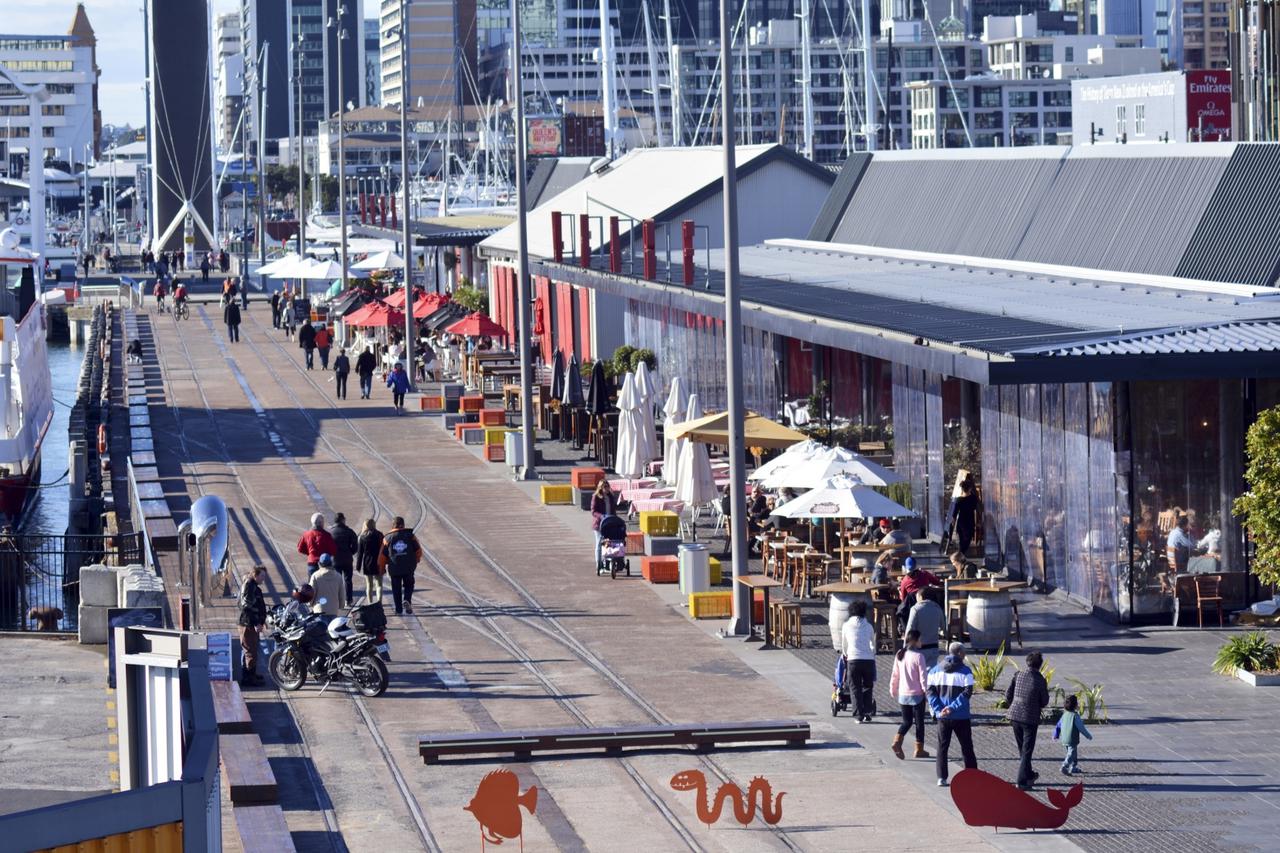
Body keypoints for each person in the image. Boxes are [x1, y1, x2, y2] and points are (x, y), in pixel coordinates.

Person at [927, 641, 978, 787]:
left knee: (942, 747)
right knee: (967, 746)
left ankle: (941, 777)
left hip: (942, 717)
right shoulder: (966, 671)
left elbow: (930, 693)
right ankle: (972, 775)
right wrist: (952, 707)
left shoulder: (934, 671)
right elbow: (967, 693)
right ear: (960, 653)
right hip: (961, 716)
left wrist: (939, 709)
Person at [1005, 651, 1051, 790]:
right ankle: (1021, 781)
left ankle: (1029, 775)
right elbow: (1044, 701)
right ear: (1040, 665)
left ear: (1027, 662)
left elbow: (1008, 695)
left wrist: (1014, 704)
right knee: (1027, 751)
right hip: (1029, 718)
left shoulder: (1018, 675)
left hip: (1014, 716)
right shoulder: (1040, 680)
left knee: (1023, 749)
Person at [889, 629, 932, 760]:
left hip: (903, 694)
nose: (921, 642)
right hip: (917, 695)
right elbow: (923, 677)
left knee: (906, 722)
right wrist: (927, 693)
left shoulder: (900, 654)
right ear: (916, 641)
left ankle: (897, 741)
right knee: (919, 723)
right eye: (920, 639)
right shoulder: (919, 657)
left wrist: (893, 689)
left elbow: (895, 674)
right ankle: (919, 749)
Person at [841, 599, 876, 723]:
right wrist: (872, 654)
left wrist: (846, 654)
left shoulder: (846, 626)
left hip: (853, 660)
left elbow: (844, 645)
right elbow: (873, 643)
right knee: (867, 686)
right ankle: (867, 712)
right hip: (868, 660)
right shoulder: (869, 626)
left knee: (855, 687)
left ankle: (858, 715)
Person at [380, 516, 423, 615]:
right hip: (408, 566)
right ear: (403, 525)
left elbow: (382, 556)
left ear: (393, 525)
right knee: (409, 584)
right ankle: (407, 599)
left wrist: (382, 568)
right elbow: (418, 550)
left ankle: (398, 609)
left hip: (394, 567)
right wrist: (416, 560)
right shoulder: (410, 535)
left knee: (396, 588)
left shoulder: (387, 538)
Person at [237, 566, 268, 686]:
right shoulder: (249, 586)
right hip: (248, 623)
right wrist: (256, 622)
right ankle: (248, 678)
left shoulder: (253, 585)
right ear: (255, 575)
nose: (263, 579)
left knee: (252, 650)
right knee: (249, 651)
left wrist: (261, 619)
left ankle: (251, 674)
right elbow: (247, 606)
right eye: (262, 576)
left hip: (250, 623)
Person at [897, 557, 941, 628]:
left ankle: (906, 631)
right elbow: (937, 582)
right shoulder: (925, 574)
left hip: (913, 607)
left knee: (900, 610)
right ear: (916, 566)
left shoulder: (904, 581)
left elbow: (903, 598)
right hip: (930, 603)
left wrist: (899, 593)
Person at [1054, 694, 1093, 775]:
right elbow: (1081, 728)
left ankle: (1073, 767)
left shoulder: (1064, 714)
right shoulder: (1075, 716)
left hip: (1064, 738)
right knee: (1071, 754)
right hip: (1072, 738)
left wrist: (1056, 734)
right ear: (1075, 705)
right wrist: (1088, 735)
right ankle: (1065, 766)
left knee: (1073, 753)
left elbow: (1058, 725)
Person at [904, 590, 945, 667]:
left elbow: (910, 628)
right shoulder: (937, 608)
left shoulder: (915, 609)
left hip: (919, 649)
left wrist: (905, 647)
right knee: (931, 673)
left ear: (921, 597)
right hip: (934, 647)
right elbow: (943, 627)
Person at [330, 512, 358, 602]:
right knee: (348, 580)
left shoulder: (331, 532)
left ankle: (338, 599)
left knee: (337, 581)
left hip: (335, 560)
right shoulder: (349, 531)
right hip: (347, 559)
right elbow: (355, 546)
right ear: (342, 520)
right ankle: (349, 599)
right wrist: (350, 553)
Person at [355, 518, 385, 603]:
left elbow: (360, 553)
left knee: (369, 585)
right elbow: (383, 549)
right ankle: (379, 603)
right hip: (378, 563)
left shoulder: (362, 536)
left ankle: (370, 603)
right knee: (379, 585)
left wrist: (358, 566)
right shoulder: (379, 534)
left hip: (367, 563)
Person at [1164, 514, 1195, 592]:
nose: (1188, 526)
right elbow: (1191, 545)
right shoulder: (1179, 534)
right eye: (1187, 524)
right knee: (1195, 560)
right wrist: (1190, 534)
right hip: (1179, 563)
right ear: (1184, 525)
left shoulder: (1173, 532)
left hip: (1171, 561)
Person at [590, 481, 618, 568]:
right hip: (599, 524)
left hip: (609, 523)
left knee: (609, 542)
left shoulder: (610, 496)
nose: (606, 488)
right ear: (600, 488)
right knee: (599, 543)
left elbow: (613, 509)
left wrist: (615, 518)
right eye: (605, 487)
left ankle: (608, 561)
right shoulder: (596, 497)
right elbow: (593, 511)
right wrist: (602, 516)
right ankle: (599, 563)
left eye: (607, 486)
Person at [308, 553, 346, 618]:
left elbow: (311, 594)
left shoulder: (315, 576)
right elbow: (342, 594)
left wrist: (310, 604)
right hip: (333, 610)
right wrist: (341, 606)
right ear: (331, 563)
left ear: (319, 564)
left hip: (319, 610)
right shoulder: (338, 576)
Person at [950, 475, 980, 556]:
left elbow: (954, 513)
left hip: (961, 523)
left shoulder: (959, 500)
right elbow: (977, 509)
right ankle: (961, 555)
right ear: (970, 488)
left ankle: (960, 556)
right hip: (970, 522)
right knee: (967, 540)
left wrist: (953, 523)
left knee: (962, 541)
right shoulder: (973, 498)